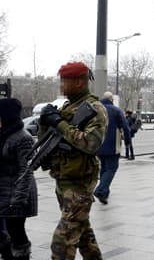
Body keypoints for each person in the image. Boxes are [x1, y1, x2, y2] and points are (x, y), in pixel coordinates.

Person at [38, 62, 107, 259]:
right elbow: (52, 140)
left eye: (64, 81)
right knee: (83, 234)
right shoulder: (69, 107)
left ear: (78, 82)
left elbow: (90, 144)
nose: (60, 85)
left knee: (62, 242)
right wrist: (46, 122)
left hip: (80, 184)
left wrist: (59, 123)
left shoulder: (96, 108)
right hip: (64, 179)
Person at [0, 98, 37, 260]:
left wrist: (17, 200)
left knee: (16, 233)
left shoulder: (24, 138)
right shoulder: (4, 135)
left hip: (17, 195)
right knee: (6, 232)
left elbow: (26, 171)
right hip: (4, 192)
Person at [93, 92, 132, 205]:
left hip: (98, 144)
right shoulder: (116, 110)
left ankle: (104, 193)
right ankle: (100, 190)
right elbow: (125, 127)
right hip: (112, 145)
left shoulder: (96, 109)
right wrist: (128, 142)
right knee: (112, 167)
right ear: (111, 100)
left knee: (104, 168)